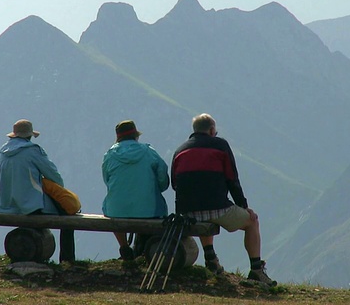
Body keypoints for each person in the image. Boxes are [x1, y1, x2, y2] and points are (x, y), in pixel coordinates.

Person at [171, 113, 276, 286]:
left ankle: (211, 259)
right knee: (252, 222)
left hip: (187, 212)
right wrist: (244, 206)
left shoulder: (180, 150)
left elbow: (175, 184)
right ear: (212, 130)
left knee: (204, 213)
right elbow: (232, 179)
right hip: (217, 207)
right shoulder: (220, 146)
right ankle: (257, 270)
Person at [0, 119, 75, 262]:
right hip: (31, 205)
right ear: (29, 136)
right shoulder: (32, 151)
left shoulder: (2, 152)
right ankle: (68, 259)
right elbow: (53, 174)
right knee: (69, 216)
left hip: (5, 204)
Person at [102, 120, 170, 260]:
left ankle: (124, 246)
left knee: (113, 208)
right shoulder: (149, 152)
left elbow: (107, 181)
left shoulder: (109, 155)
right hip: (149, 209)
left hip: (117, 209)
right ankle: (146, 250)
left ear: (118, 137)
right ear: (135, 136)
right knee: (153, 207)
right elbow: (163, 177)